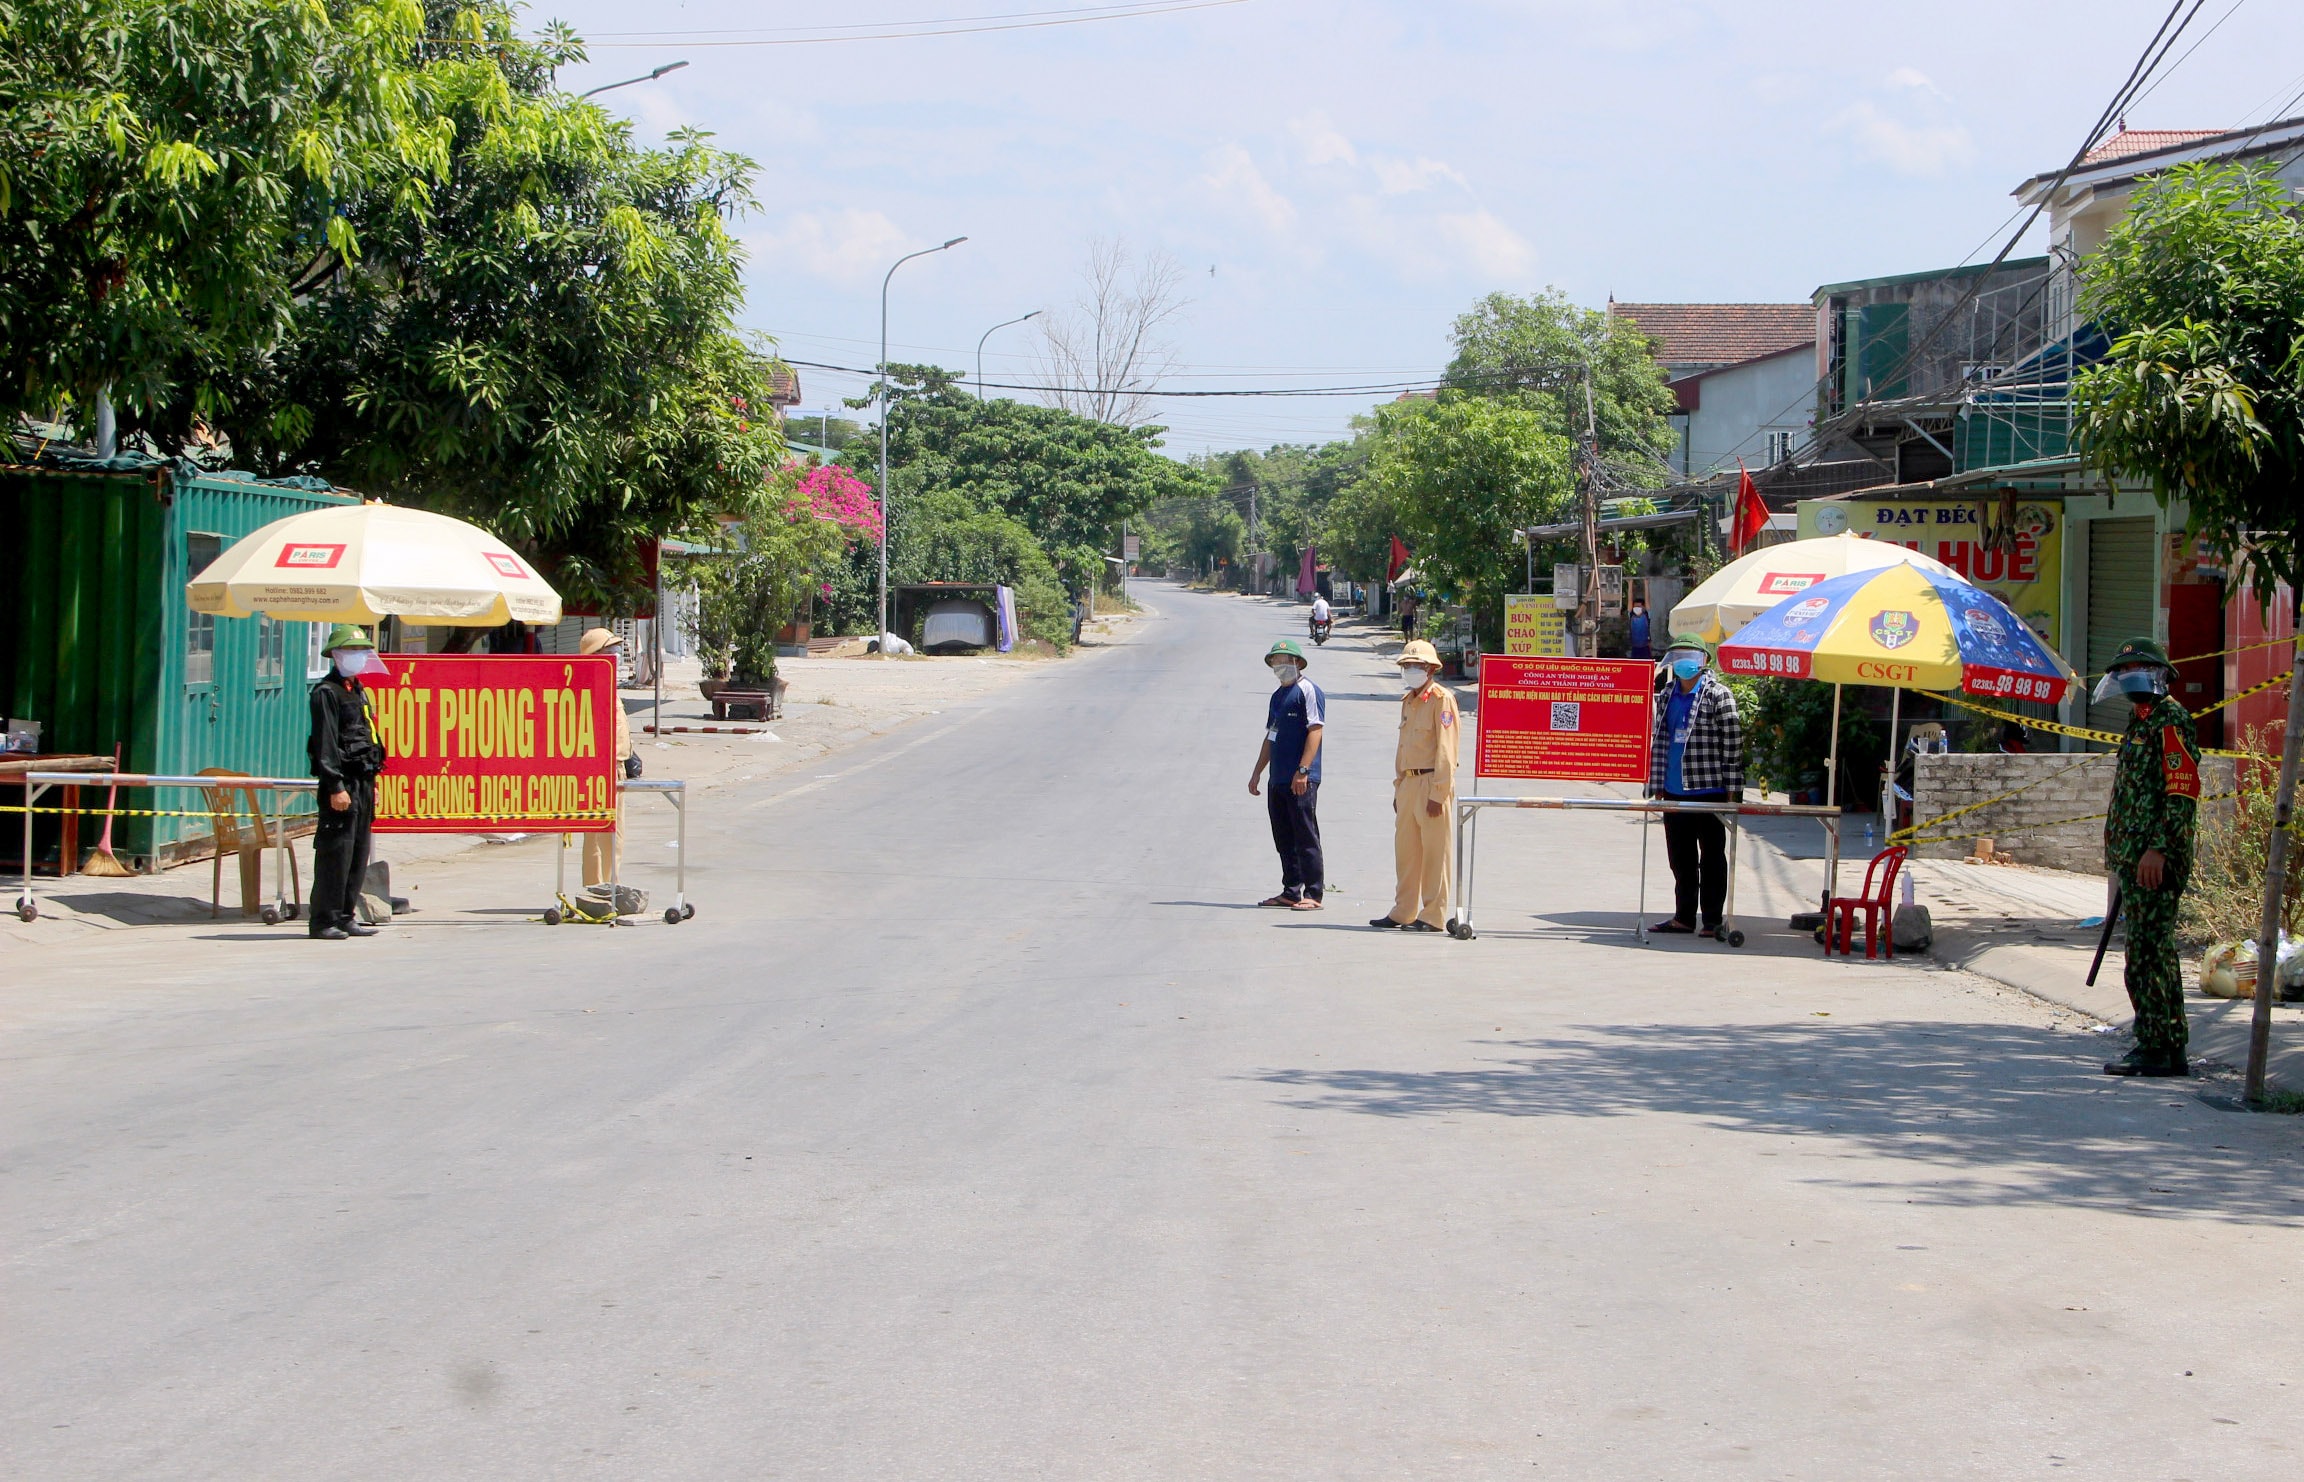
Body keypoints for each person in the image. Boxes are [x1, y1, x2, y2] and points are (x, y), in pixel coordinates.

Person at [2099, 637, 2200, 1078]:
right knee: (2150, 952)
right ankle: (2168, 1045)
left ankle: (2155, 1046)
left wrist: (2158, 848)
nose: (2127, 680)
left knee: (2147, 955)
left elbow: (2181, 792)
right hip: (2133, 859)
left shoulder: (2170, 719)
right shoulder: (2138, 721)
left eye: (2135, 671)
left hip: (2155, 860)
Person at [1647, 633, 1744, 940]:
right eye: (1679, 655)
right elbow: (1659, 741)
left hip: (1709, 790)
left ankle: (1713, 920)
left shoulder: (1719, 695)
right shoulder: (1666, 696)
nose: (1685, 661)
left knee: (1712, 858)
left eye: (1691, 655)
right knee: (1680, 859)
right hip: (1675, 790)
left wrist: (1733, 790)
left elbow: (1733, 744)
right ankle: (1684, 917)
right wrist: (1657, 783)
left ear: (1704, 661)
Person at [1371, 639, 1459, 932]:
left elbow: (1447, 750)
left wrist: (1439, 792)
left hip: (1431, 782)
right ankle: (1403, 911)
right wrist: (1399, 787)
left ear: (1431, 668)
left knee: (1435, 852)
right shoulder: (1408, 701)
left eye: (1415, 666)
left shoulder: (1441, 699)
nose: (1410, 670)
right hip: (1408, 783)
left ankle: (1433, 914)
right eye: (1407, 665)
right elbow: (1403, 747)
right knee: (1406, 852)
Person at [307, 623, 386, 941]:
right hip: (340, 784)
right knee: (335, 852)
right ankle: (323, 920)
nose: (358, 657)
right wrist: (335, 786)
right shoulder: (326, 693)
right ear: (336, 655)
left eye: (361, 651)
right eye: (352, 651)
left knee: (357, 851)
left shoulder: (358, 690)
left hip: (363, 781)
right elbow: (325, 744)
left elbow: (367, 736)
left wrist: (374, 781)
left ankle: (345, 915)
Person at [1248, 638, 1326, 910]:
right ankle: (1291, 890)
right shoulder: (1277, 697)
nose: (1280, 666)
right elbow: (1271, 736)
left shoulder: (1308, 691)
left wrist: (1303, 770)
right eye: (1276, 662)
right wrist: (1258, 772)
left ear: (1297, 662)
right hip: (1278, 778)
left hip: (1301, 778)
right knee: (1283, 836)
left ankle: (1313, 893)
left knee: (1305, 835)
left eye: (1285, 661)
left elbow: (1315, 730)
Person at [578, 627, 638, 907]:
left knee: (609, 833)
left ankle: (604, 887)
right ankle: (600, 889)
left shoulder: (606, 685)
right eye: (609, 651)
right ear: (595, 656)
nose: (616, 656)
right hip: (601, 768)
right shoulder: (591, 687)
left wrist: (631, 754)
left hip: (616, 766)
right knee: (602, 833)